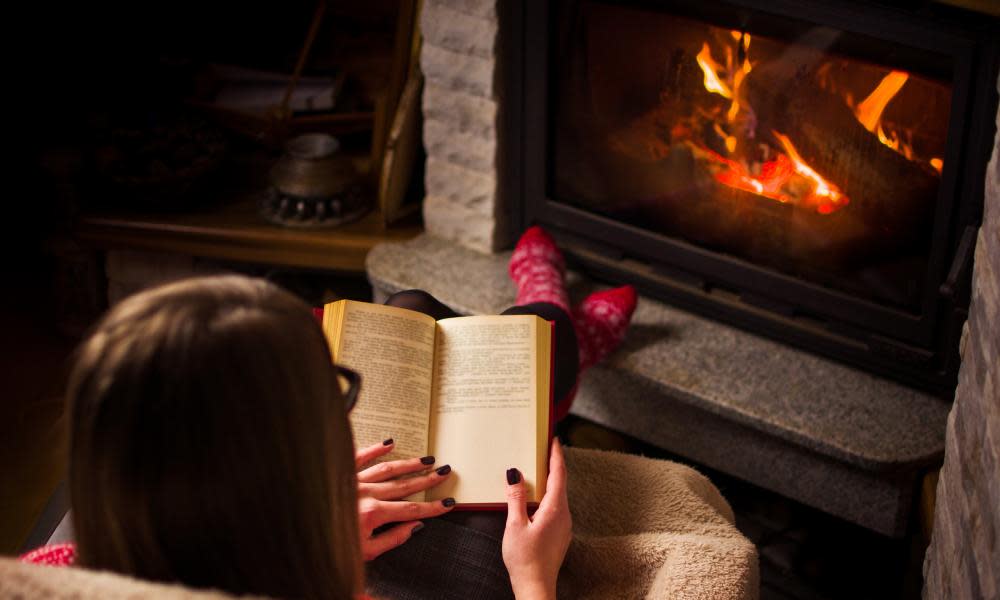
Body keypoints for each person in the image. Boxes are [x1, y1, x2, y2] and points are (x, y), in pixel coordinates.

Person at [22, 226, 637, 600]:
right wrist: (536, 579)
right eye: (333, 393)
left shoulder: (54, 570)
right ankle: (559, 326)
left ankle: (556, 327)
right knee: (538, 338)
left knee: (412, 306)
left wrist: (300, 531)